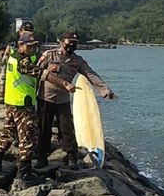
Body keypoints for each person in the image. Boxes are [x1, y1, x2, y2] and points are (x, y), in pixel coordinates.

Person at [0, 32, 76, 188]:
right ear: (20, 45)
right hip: (22, 104)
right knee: (28, 139)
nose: (32, 49)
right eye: (29, 46)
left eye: (34, 46)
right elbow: (42, 74)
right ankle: (25, 175)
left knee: (7, 133)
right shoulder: (21, 61)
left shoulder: (14, 55)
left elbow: (35, 66)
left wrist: (42, 62)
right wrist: (64, 83)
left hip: (12, 102)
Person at [36, 31, 116, 169]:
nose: (72, 45)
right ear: (62, 41)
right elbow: (36, 72)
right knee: (44, 129)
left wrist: (104, 89)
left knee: (67, 129)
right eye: (69, 42)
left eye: (75, 43)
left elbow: (90, 74)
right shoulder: (49, 55)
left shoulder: (77, 61)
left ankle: (71, 157)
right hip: (45, 98)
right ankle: (42, 157)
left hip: (63, 101)